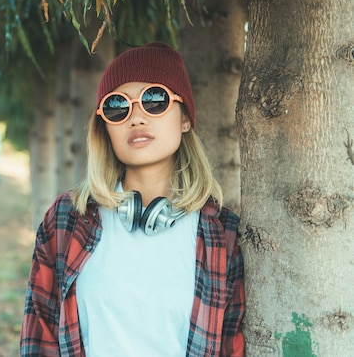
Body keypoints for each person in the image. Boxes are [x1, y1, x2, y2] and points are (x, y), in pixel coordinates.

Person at [20, 42, 245, 356]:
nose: (136, 118)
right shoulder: (66, 219)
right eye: (117, 106)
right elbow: (39, 337)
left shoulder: (225, 234)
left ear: (185, 118)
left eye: (154, 100)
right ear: (105, 128)